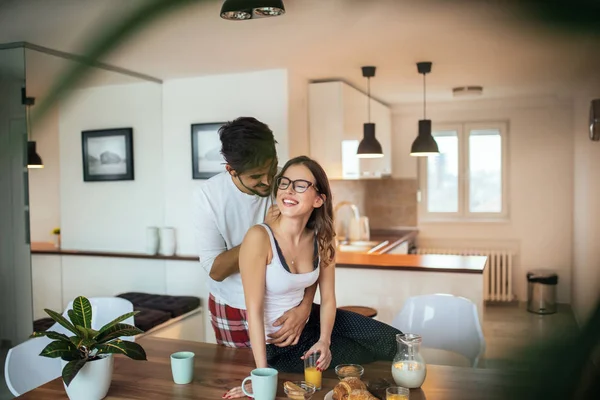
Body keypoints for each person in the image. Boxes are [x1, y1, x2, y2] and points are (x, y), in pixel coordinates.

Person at [224, 155, 402, 398]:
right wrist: (262, 375)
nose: (288, 190)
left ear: (319, 199)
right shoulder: (259, 238)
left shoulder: (322, 238)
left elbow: (328, 298)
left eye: (300, 185)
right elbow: (253, 310)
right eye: (284, 183)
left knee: (393, 341)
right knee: (363, 355)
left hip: (313, 319)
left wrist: (325, 341)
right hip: (280, 345)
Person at [193, 117, 317, 349]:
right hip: (230, 304)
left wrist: (305, 306)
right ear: (231, 170)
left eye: (271, 169)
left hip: (285, 305)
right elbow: (216, 271)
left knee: (287, 377)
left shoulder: (289, 183)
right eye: (256, 176)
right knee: (237, 377)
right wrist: (266, 233)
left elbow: (315, 251)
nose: (269, 181)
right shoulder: (209, 196)